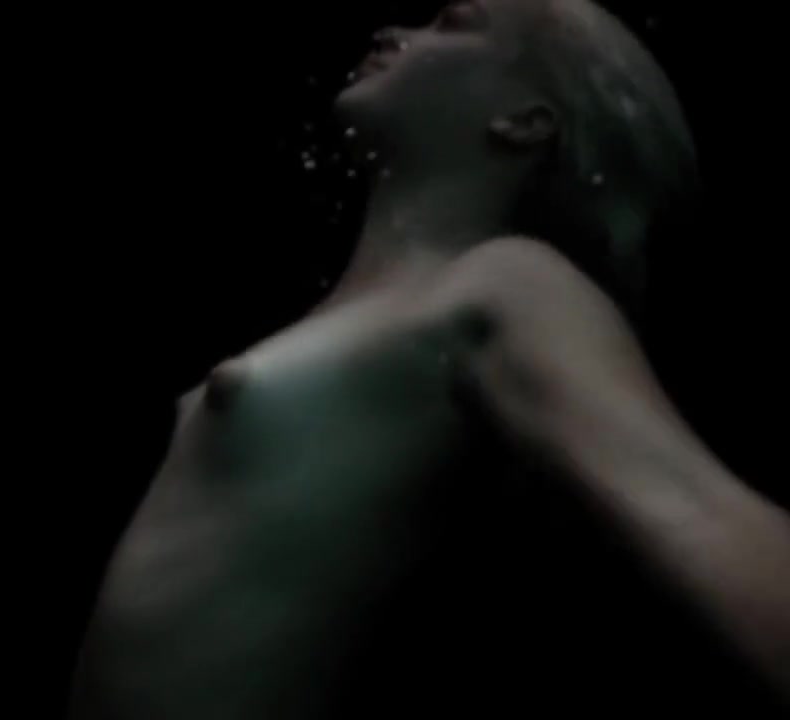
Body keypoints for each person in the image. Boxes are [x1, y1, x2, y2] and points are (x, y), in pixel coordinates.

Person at [68, 1, 790, 717]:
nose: (393, 29)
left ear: (523, 121)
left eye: (453, 23)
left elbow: (698, 512)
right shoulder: (390, 310)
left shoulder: (506, 284)